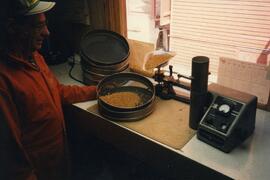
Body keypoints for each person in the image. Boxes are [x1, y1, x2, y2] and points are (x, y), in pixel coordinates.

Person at [0, 0, 97, 179]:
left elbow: (56, 91)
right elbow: (11, 159)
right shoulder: (4, 80)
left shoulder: (34, 56)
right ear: (13, 27)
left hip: (58, 163)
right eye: (38, 26)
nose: (47, 32)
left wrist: (96, 91)